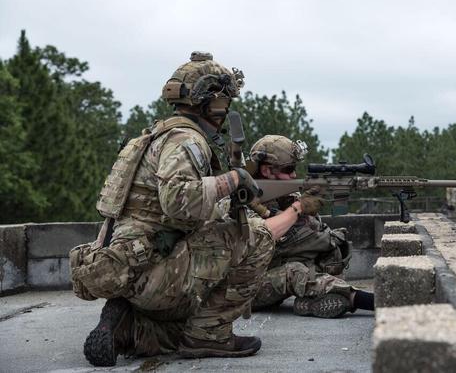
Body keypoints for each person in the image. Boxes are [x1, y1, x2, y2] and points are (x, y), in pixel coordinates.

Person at [69, 52, 322, 366]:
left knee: (178, 333)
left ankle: (130, 328)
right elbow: (178, 202)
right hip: (155, 274)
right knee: (255, 235)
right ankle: (210, 336)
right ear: (213, 104)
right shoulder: (187, 140)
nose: (226, 110)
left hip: (132, 271)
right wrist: (233, 180)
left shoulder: (156, 136)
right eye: (225, 103)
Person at [246, 135, 375, 318]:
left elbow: (312, 235)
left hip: (271, 273)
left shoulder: (282, 197)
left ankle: (319, 298)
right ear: (267, 171)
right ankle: (363, 300)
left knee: (332, 243)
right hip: (244, 291)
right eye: (289, 169)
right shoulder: (243, 200)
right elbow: (267, 233)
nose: (294, 175)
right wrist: (299, 207)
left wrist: (309, 204)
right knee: (294, 271)